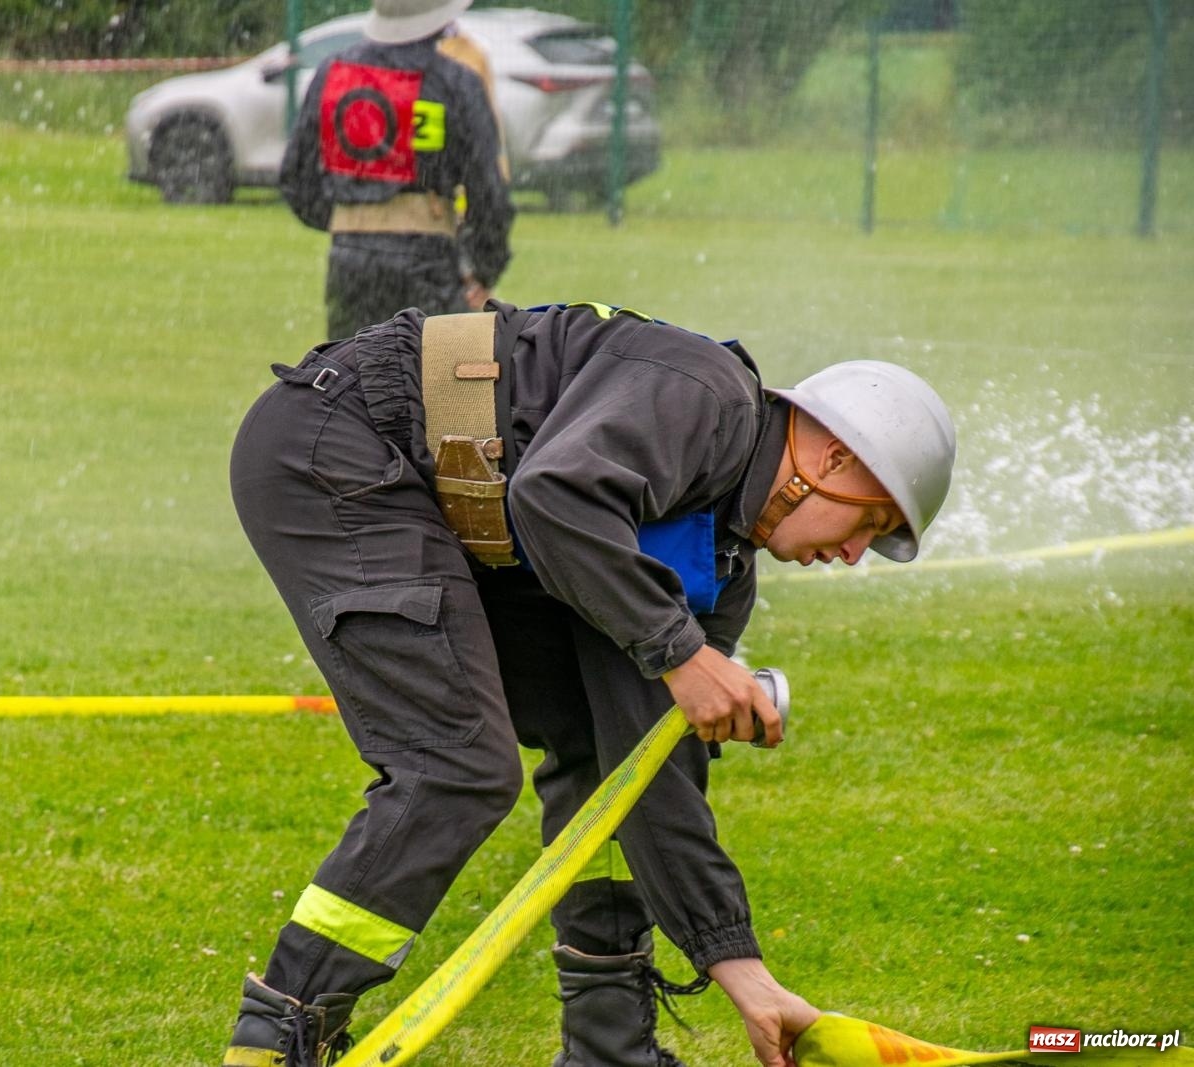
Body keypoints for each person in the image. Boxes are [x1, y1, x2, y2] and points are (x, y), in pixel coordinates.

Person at [221, 300, 957, 1067]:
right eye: (869, 522)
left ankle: (609, 1049)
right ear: (832, 460)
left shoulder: (724, 569)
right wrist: (680, 651)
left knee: (600, 752)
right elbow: (552, 495)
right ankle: (280, 1034)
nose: (854, 554)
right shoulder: (708, 398)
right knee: (458, 767)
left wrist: (742, 969)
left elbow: (645, 765)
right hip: (341, 446)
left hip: (437, 495)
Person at [279, 0, 514, 340]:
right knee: (432, 382)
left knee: (354, 380)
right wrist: (482, 269)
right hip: (430, 261)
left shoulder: (334, 74)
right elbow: (489, 194)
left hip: (350, 265)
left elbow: (297, 179)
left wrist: (351, 221)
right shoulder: (456, 83)